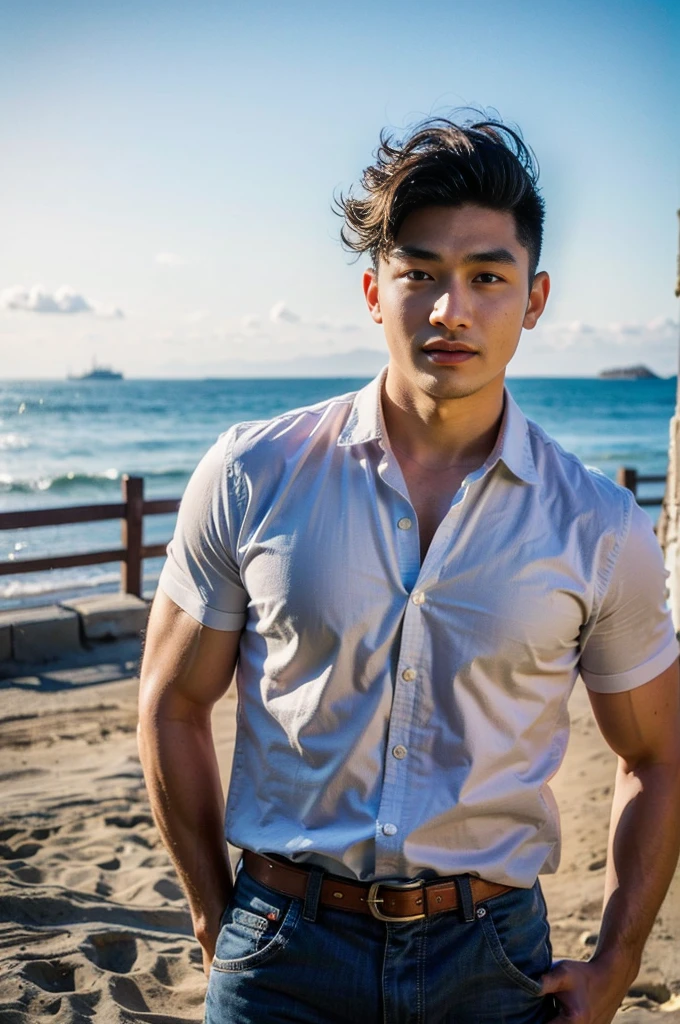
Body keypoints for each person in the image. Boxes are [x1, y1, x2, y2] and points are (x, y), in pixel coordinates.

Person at [137, 115, 680, 1024]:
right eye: (418, 272)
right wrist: (212, 913)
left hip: (494, 962)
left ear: (535, 299)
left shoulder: (597, 525)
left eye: (487, 278)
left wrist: (618, 960)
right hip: (282, 949)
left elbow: (658, 754)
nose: (450, 309)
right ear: (372, 289)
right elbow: (170, 701)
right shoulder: (251, 474)